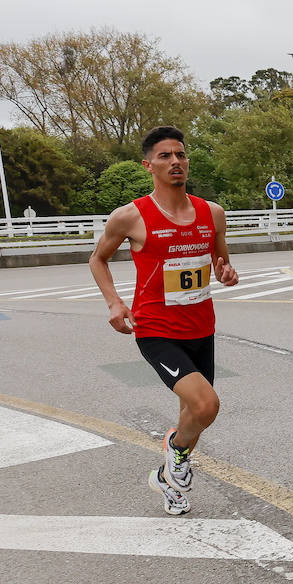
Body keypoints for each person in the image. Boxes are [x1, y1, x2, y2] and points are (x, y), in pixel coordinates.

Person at [88, 126, 240, 516]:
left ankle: (167, 481)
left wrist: (226, 273)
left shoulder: (212, 213)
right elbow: (97, 258)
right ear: (148, 165)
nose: (175, 162)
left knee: (191, 413)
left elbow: (220, 263)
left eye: (180, 155)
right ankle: (175, 452)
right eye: (165, 156)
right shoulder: (131, 217)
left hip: (201, 327)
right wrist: (114, 303)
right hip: (156, 330)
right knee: (206, 407)